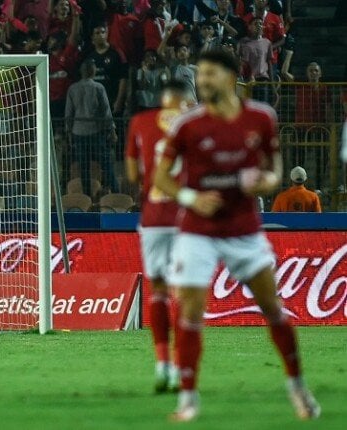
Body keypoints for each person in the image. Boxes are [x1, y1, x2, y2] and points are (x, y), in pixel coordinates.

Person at [153, 48, 320, 421]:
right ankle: (189, 398)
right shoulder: (187, 124)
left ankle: (298, 387)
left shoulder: (261, 118)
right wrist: (190, 196)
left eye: (210, 74)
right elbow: (161, 176)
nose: (203, 81)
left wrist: (266, 182)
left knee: (273, 308)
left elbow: (274, 170)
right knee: (191, 312)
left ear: (229, 77)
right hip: (197, 230)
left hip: (244, 228)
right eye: (200, 75)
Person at [125, 80, 195, 393]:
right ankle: (181, 369)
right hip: (185, 217)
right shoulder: (195, 125)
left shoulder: (140, 122)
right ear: (183, 101)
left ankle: (162, 365)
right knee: (182, 293)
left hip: (153, 218)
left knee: (159, 292)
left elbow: (132, 175)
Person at [65, 59, 118, 194]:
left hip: (78, 131)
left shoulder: (73, 88)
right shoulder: (98, 87)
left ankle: (87, 195)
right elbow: (106, 111)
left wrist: (69, 133)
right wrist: (112, 130)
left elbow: (68, 114)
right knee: (106, 164)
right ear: (93, 71)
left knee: (84, 167)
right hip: (95, 131)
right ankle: (116, 191)